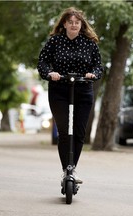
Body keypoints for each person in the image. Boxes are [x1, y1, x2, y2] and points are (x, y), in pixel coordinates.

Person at [37, 7, 103, 184]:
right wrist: (50, 73)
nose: (74, 25)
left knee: (79, 133)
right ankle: (67, 170)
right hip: (59, 90)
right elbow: (42, 61)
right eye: (70, 22)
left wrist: (92, 74)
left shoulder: (89, 43)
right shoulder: (55, 42)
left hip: (82, 90)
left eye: (77, 22)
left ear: (81, 25)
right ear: (64, 24)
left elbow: (98, 66)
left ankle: (72, 169)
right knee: (65, 132)